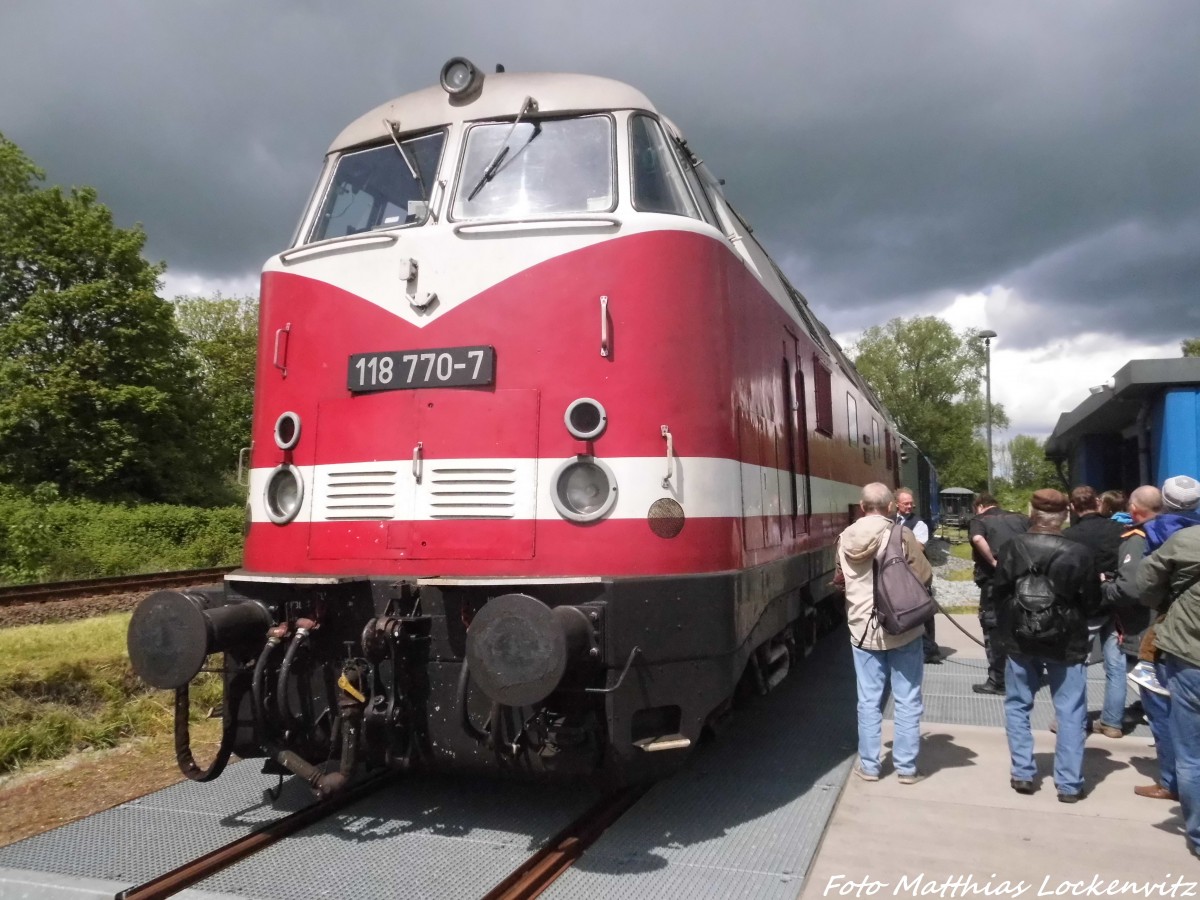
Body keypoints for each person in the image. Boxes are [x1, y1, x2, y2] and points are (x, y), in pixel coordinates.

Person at [993, 488, 1100, 803]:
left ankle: (1023, 773)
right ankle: (1068, 784)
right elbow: (1092, 602)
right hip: (1066, 640)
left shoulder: (1012, 547)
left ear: (1032, 512)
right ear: (1065, 515)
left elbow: (998, 593)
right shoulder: (1080, 552)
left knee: (1017, 704)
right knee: (1070, 710)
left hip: (1020, 637)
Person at [836, 482, 931, 784]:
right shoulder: (901, 533)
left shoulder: (844, 538)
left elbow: (841, 578)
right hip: (902, 627)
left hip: (863, 629)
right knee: (906, 698)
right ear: (891, 507)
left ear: (862, 507)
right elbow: (924, 575)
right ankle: (906, 768)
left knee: (868, 700)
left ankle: (870, 765)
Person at [1136, 498, 1200, 859]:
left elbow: (1146, 580)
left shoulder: (1185, 540)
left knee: (1191, 754)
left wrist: (1162, 603)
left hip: (1188, 655)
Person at [1100, 486, 1172, 798]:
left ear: (1134, 508)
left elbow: (1130, 588)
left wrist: (1104, 589)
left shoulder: (1137, 539)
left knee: (1157, 703)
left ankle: (1170, 779)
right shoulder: (1180, 533)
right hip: (1175, 626)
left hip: (1146, 629)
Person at [1060, 485, 1125, 738]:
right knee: (1116, 664)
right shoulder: (1119, 531)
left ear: (1073, 508)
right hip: (1114, 601)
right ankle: (1112, 722)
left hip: (1082, 606)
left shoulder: (1069, 536)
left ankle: (1074, 719)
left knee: (1076, 663)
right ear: (1098, 503)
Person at [968, 493, 1029, 694]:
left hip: (994, 583)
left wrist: (994, 562)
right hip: (1021, 581)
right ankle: (1024, 676)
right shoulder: (1020, 518)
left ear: (980, 506)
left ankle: (998, 680)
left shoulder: (980, 520)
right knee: (1022, 626)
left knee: (993, 628)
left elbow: (977, 538)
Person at [896, 486, 939, 664]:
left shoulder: (919, 523)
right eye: (905, 503)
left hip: (915, 573)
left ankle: (929, 649)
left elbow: (919, 547)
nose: (909, 507)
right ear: (896, 504)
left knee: (923, 611)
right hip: (897, 573)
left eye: (911, 504)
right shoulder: (891, 520)